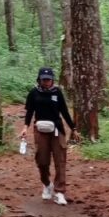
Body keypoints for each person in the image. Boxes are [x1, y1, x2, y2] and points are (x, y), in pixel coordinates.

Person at [20, 66, 79, 205]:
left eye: (49, 80)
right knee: (42, 160)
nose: (46, 82)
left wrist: (73, 129)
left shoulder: (57, 92)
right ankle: (47, 184)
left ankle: (59, 192)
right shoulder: (34, 93)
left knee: (60, 160)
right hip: (40, 130)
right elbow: (29, 112)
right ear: (39, 80)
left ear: (52, 80)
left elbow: (64, 111)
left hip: (57, 130)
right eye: (44, 80)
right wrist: (25, 127)